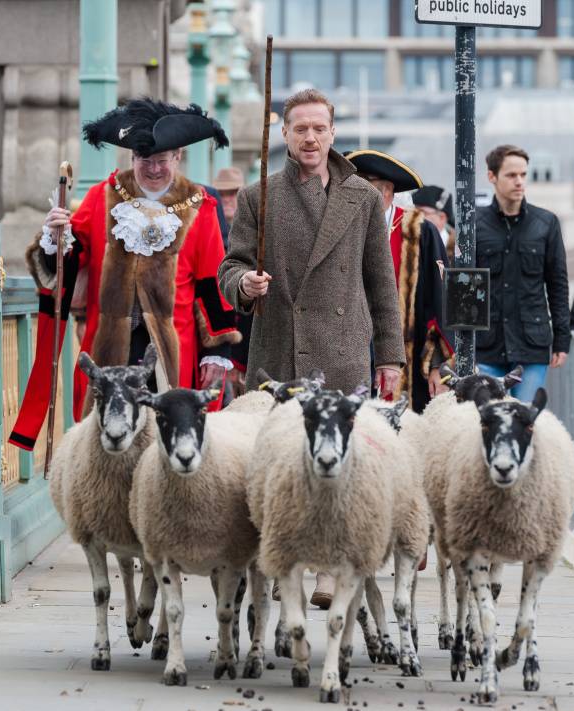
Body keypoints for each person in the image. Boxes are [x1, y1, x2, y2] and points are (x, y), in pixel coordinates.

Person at [218, 88, 405, 609]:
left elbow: (381, 283)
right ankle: (285, 562)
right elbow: (228, 268)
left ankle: (327, 567)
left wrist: (390, 356)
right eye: (300, 128)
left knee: (339, 466)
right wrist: (245, 285)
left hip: (342, 351)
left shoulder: (363, 197)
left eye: (319, 128)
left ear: (332, 132)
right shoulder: (260, 196)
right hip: (279, 349)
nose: (310, 137)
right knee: (281, 468)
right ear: (284, 133)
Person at [8, 99, 240, 450]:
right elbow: (70, 261)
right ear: (132, 158)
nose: (154, 169)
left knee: (165, 442)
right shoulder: (103, 197)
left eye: (162, 161)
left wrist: (217, 351)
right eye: (144, 160)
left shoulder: (200, 208)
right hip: (110, 347)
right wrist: (55, 241)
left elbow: (213, 285)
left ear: (177, 156)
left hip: (172, 347)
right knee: (106, 444)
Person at [344, 149, 453, 412]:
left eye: (362, 185)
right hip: (350, 355)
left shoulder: (418, 231)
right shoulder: (342, 228)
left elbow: (441, 301)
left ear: (385, 191)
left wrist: (439, 365)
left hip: (409, 357)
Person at [475, 144, 570, 402]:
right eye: (511, 175)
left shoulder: (546, 223)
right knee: (487, 422)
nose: (519, 182)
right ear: (492, 177)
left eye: (523, 175)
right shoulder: (473, 225)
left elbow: (557, 284)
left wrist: (562, 339)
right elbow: (461, 287)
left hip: (531, 345)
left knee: (526, 421)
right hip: (486, 346)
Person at [212, 166, 251, 399]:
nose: (227, 199)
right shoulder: (208, 229)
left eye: (233, 193)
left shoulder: (254, 232)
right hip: (215, 333)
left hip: (243, 334)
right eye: (222, 194)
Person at [411, 184, 455, 255]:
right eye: (413, 212)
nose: (414, 217)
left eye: (422, 212)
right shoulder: (407, 246)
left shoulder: (460, 254)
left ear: (441, 218)